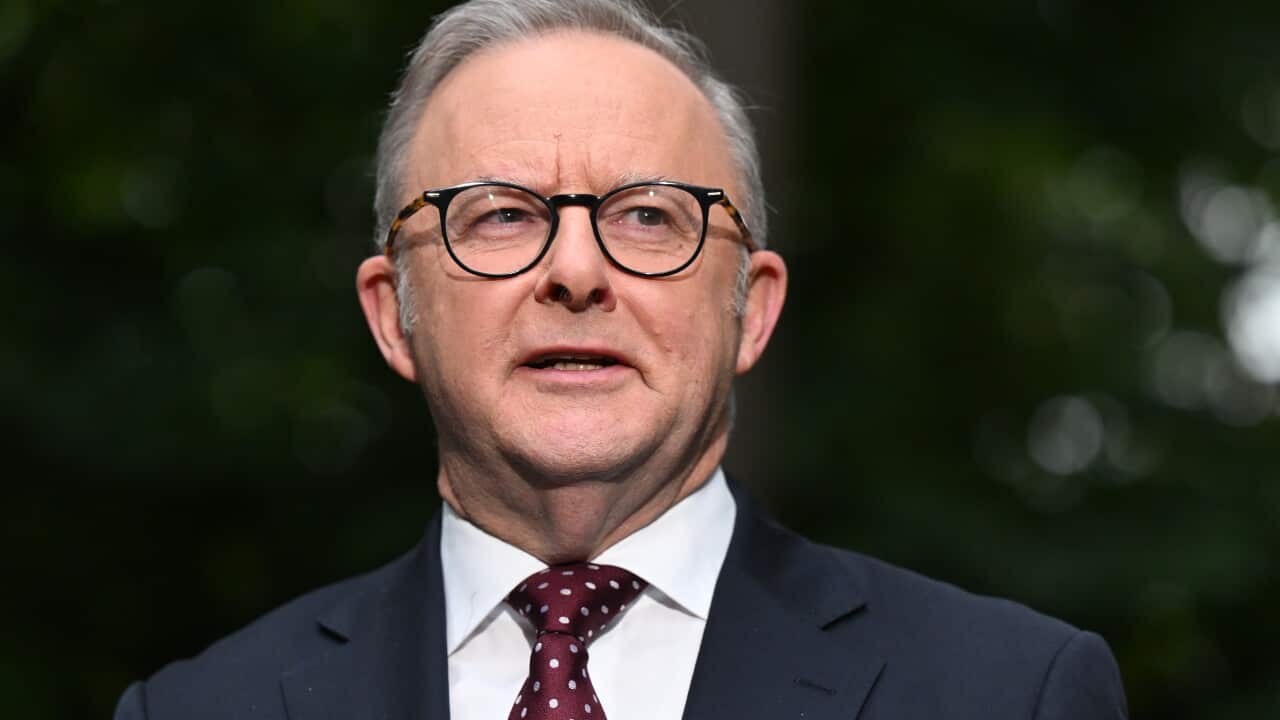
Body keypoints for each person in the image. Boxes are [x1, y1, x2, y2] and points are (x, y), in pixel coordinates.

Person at [114, 1, 1129, 718]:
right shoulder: (201, 708)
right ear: (393, 314)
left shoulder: (1009, 693)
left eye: (647, 217)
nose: (574, 271)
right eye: (500, 215)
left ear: (750, 310)